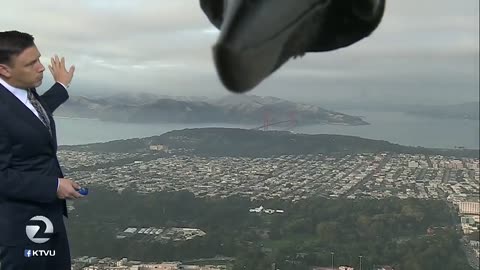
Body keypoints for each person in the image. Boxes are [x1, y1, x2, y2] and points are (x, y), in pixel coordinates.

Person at [0, 30, 83, 270]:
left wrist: (61, 86)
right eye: (30, 63)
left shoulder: (21, 90)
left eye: (38, 59)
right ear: (4, 70)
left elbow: (32, 114)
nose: (41, 68)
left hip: (46, 215)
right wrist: (54, 186)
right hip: (20, 224)